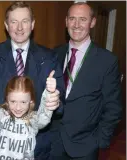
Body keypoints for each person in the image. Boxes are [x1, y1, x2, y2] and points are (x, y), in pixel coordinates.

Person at [0, 1, 65, 160]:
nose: (19, 27)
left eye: (25, 21)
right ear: (6, 26)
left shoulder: (49, 57)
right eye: (14, 22)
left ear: (33, 24)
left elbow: (60, 103)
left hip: (35, 149)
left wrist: (54, 101)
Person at [50, 2, 122, 160]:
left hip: (85, 146)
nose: (76, 25)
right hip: (53, 142)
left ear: (93, 22)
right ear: (66, 21)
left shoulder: (107, 61)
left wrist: (99, 141)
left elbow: (113, 107)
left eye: (82, 19)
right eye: (72, 19)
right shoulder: (54, 53)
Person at [0, 68, 57, 160]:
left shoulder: (33, 119)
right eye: (13, 101)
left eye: (23, 102)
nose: (18, 108)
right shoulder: (2, 115)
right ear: (7, 100)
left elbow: (44, 118)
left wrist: (49, 93)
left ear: (30, 101)